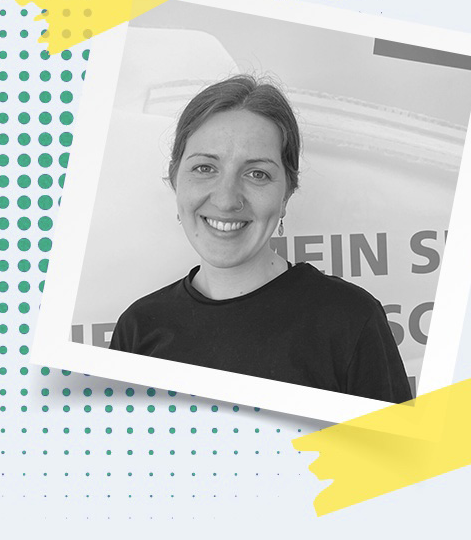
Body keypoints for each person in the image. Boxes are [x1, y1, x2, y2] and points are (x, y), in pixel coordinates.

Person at [109, 75, 412, 403]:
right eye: (205, 168)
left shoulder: (351, 320)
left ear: (286, 195)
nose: (226, 200)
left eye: (257, 174)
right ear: (175, 180)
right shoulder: (138, 328)